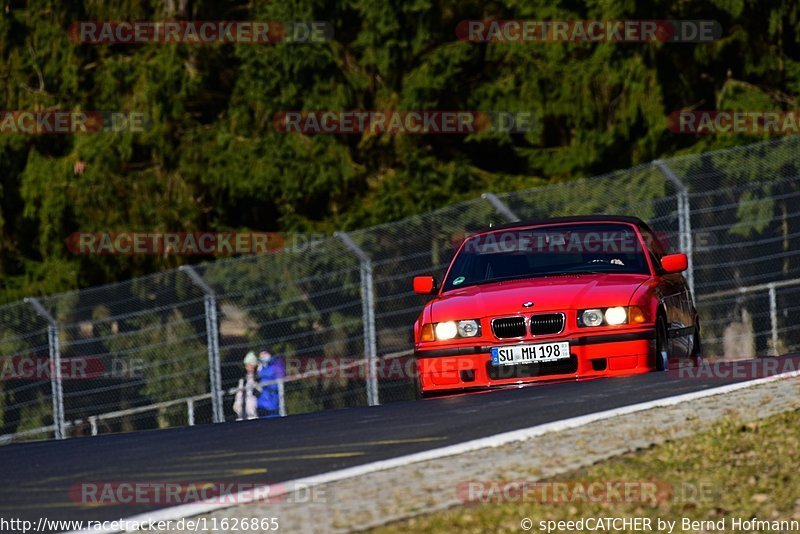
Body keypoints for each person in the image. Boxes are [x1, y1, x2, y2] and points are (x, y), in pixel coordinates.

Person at [255, 350, 284, 418]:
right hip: (261, 404)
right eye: (261, 355)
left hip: (271, 403)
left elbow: (277, 384)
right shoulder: (261, 369)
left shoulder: (275, 366)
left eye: (264, 354)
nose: (262, 356)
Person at [233, 351, 259, 421]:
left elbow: (258, 392)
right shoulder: (242, 380)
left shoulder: (257, 378)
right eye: (247, 365)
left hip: (252, 412)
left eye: (250, 365)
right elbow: (239, 394)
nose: (248, 367)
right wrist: (236, 406)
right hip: (241, 413)